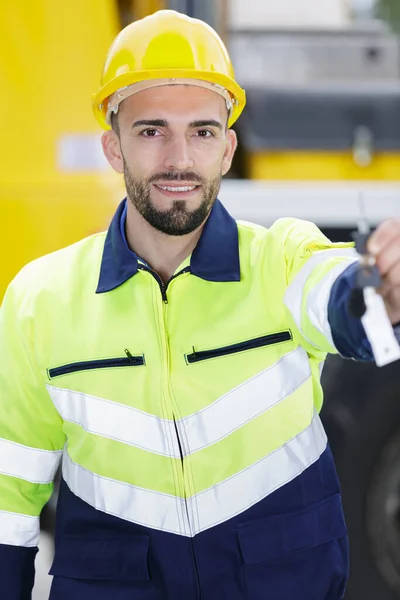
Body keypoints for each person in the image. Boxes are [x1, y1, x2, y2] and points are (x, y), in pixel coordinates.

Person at [1, 9, 400, 600]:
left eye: (203, 131)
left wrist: (383, 290)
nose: (179, 158)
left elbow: (340, 297)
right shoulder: (42, 299)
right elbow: (9, 495)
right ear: (113, 147)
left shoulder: (279, 260)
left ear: (229, 148)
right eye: (151, 130)